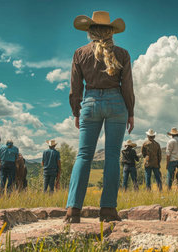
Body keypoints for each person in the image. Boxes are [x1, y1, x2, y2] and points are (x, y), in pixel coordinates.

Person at [65, 11, 134, 223]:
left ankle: (73, 211)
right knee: (112, 157)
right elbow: (128, 87)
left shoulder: (79, 53)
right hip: (116, 104)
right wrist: (130, 112)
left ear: (90, 32)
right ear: (111, 32)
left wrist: (77, 111)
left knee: (84, 155)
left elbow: (75, 88)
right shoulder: (122, 54)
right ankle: (108, 211)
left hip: (91, 103)